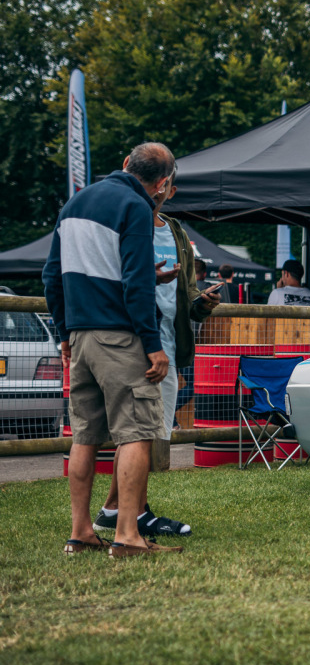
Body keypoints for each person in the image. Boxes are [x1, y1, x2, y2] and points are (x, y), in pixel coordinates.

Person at [43, 142, 182, 558]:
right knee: (137, 432)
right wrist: (154, 346)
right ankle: (127, 537)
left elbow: (52, 275)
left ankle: (80, 531)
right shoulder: (137, 207)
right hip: (120, 336)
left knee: (85, 436)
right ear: (162, 184)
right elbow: (136, 282)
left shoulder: (74, 204)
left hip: (81, 337)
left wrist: (65, 333)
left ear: (125, 164)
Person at [92, 168, 221, 538]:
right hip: (136, 340)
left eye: (164, 184)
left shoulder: (177, 231)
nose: (158, 190)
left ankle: (113, 510)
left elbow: (187, 293)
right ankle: (134, 515)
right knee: (141, 431)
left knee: (145, 432)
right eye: (156, 181)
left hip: (167, 339)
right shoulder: (125, 220)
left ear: (171, 190)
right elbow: (119, 277)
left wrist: (203, 303)